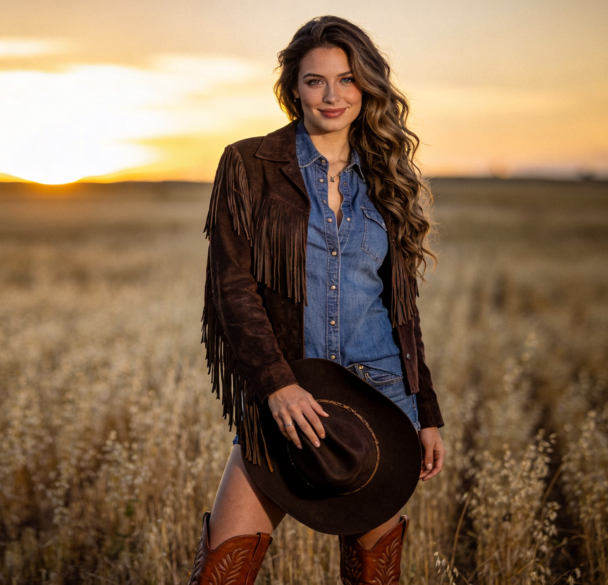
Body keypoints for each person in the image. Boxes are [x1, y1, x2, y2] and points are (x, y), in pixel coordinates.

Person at [187, 16, 446, 584]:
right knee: (221, 571)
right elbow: (233, 288)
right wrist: (276, 385)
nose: (332, 96)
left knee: (373, 576)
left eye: (347, 80)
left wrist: (424, 411)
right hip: (291, 392)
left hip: (381, 395)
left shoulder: (385, 178)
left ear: (367, 87)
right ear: (292, 88)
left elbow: (401, 308)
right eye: (315, 81)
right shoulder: (249, 164)